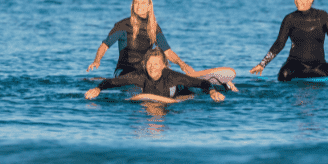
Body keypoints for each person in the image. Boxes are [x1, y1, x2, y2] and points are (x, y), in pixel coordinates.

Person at [87, 0, 195, 77]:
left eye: (142, 3)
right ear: (132, 5)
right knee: (142, 77)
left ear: (149, 7)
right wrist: (97, 61)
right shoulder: (123, 25)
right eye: (136, 2)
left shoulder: (154, 28)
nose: (138, 5)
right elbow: (105, 46)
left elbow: (167, 51)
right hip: (123, 71)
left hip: (145, 71)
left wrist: (182, 64)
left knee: (164, 74)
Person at [86, 48, 225, 102]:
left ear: (164, 65)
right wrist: (98, 89)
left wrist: (212, 92)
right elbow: (113, 82)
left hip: (180, 93)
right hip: (151, 98)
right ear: (145, 64)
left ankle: (221, 83)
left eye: (156, 64)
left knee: (189, 90)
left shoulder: (171, 76)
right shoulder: (140, 76)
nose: (152, 68)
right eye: (149, 64)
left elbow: (201, 83)